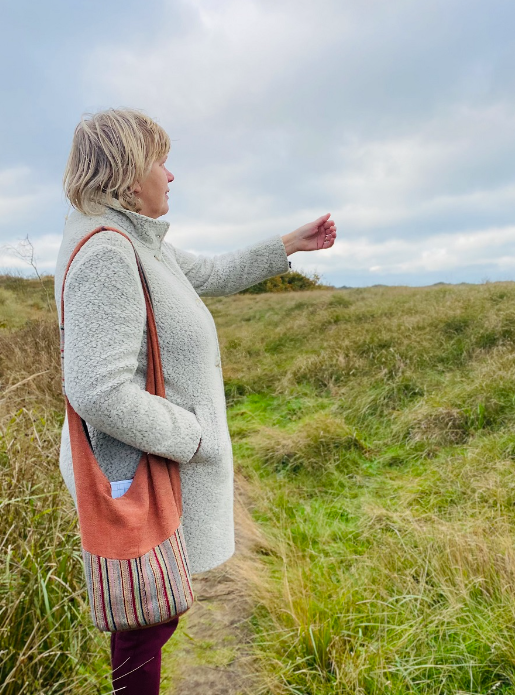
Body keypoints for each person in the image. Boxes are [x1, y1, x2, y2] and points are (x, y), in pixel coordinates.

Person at [56, 108, 337, 694]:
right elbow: (97, 389)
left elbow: (206, 273)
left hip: (151, 464)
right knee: (146, 618)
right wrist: (193, 436)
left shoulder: (137, 241)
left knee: (155, 610)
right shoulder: (108, 252)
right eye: (161, 160)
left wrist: (290, 244)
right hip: (141, 470)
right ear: (129, 172)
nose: (171, 175)